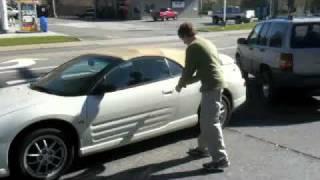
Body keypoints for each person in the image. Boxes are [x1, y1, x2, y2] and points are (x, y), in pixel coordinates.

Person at [175, 22, 230, 171]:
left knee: (210, 123)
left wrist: (180, 84)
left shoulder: (193, 47)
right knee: (206, 120)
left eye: (182, 39)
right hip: (215, 83)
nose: (183, 42)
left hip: (212, 86)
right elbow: (204, 70)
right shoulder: (205, 42)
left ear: (185, 35)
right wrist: (187, 81)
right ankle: (202, 148)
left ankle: (220, 159)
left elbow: (188, 70)